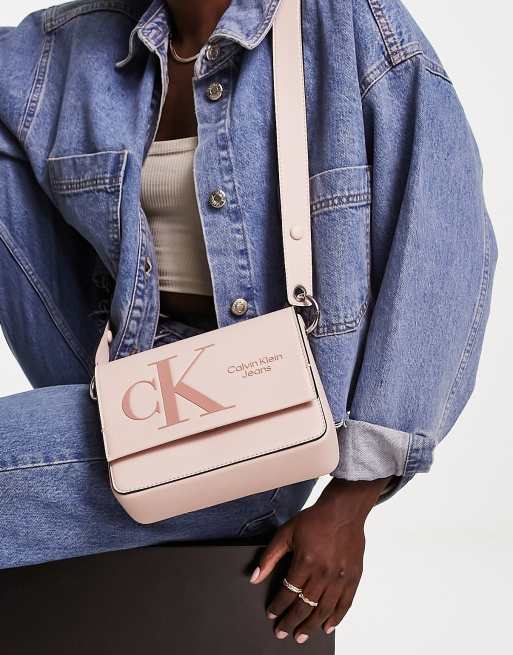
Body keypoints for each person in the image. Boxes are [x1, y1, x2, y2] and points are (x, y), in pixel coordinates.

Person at [0, 0, 498, 645]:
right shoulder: (78, 43)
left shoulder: (346, 24)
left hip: (267, 428)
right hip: (136, 389)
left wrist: (351, 500)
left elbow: (445, 246)